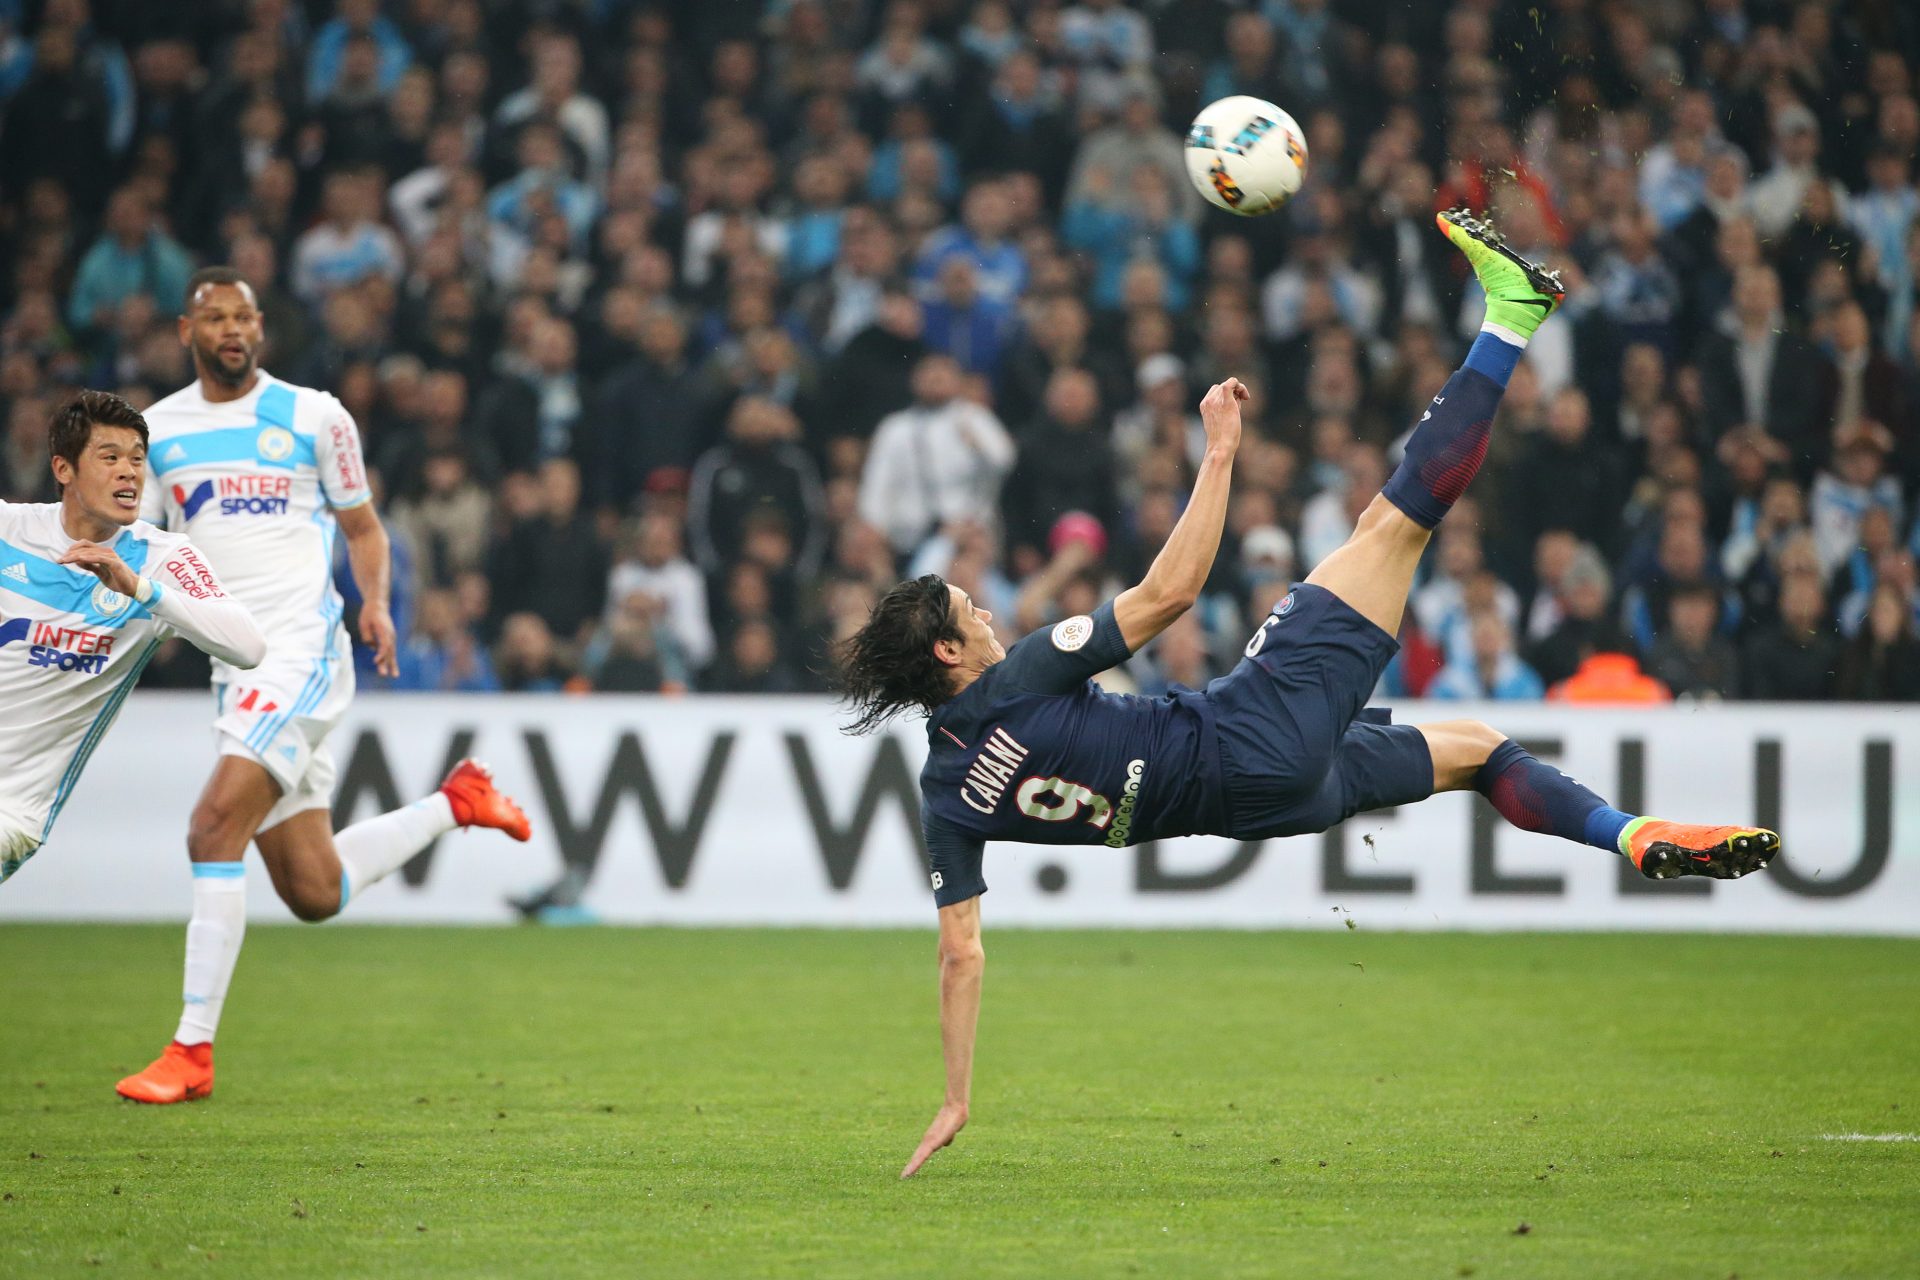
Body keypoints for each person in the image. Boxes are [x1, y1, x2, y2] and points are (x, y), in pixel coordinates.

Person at [838, 212, 1779, 1180]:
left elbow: (963, 954)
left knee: (1479, 747)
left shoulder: (944, 796)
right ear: (951, 651)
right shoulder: (1021, 674)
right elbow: (1168, 595)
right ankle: (1512, 314)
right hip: (1248, 728)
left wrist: (956, 1094)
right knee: (1399, 525)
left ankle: (1633, 835)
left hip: (1264, 805)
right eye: (970, 608)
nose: (991, 609)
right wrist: (1218, 453)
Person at [116, 268, 534, 1107]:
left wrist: (375, 603)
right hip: (231, 669)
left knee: (210, 829)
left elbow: (363, 527)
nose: (232, 329)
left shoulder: (314, 414)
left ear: (262, 327)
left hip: (303, 655)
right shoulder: (157, 431)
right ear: (185, 330)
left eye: (244, 316)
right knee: (313, 891)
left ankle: (190, 1052)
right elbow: (143, 546)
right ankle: (458, 802)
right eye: (215, 317)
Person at [0, 392, 267, 884]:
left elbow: (248, 646)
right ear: (64, 470)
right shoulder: (9, 531)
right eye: (110, 457)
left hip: (11, 813)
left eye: (137, 459)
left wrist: (139, 589)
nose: (129, 471)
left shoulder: (163, 558)